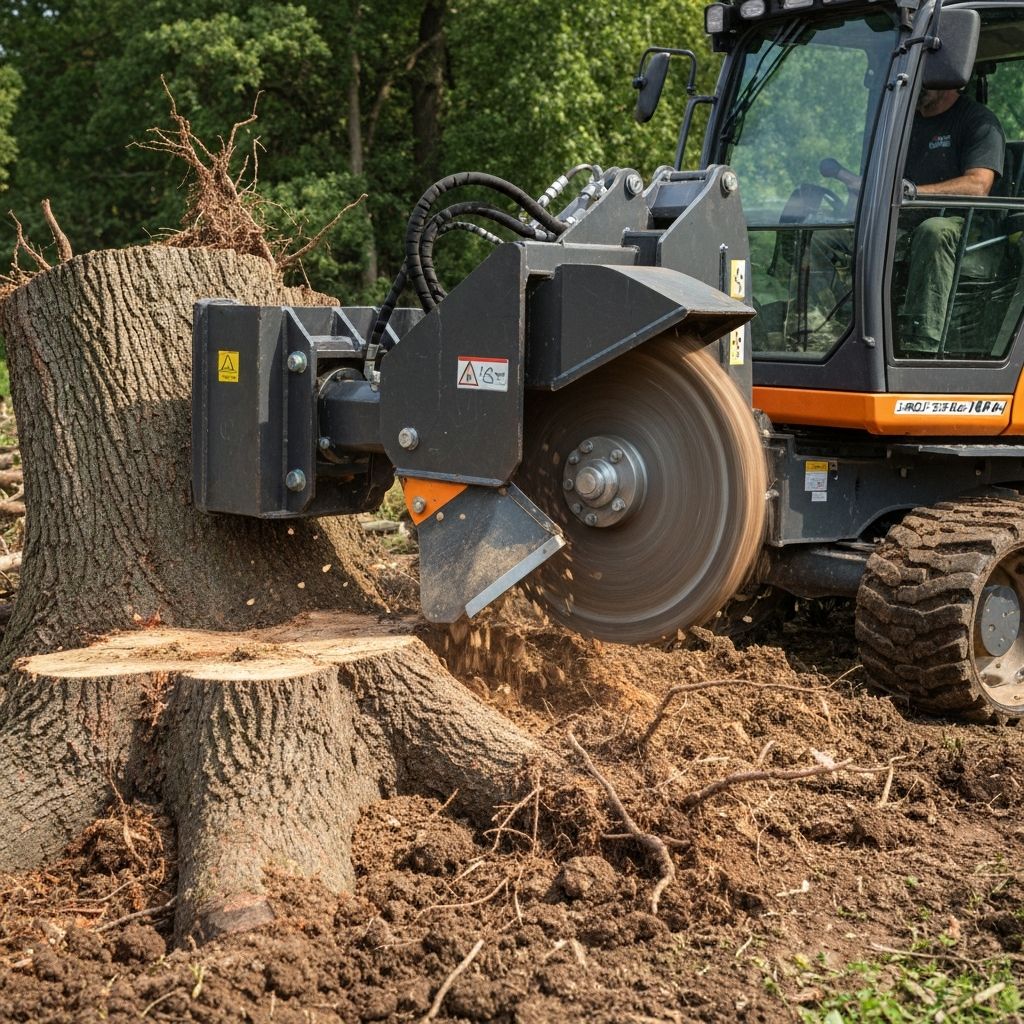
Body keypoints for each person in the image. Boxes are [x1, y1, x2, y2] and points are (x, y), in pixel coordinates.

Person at [895, 86, 1005, 355]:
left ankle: (924, 346)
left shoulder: (979, 122)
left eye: (927, 73)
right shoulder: (903, 124)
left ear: (951, 78)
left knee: (934, 231)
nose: (917, 82)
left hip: (967, 226)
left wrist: (915, 192)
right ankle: (816, 329)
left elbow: (978, 185)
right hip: (904, 221)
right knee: (831, 236)